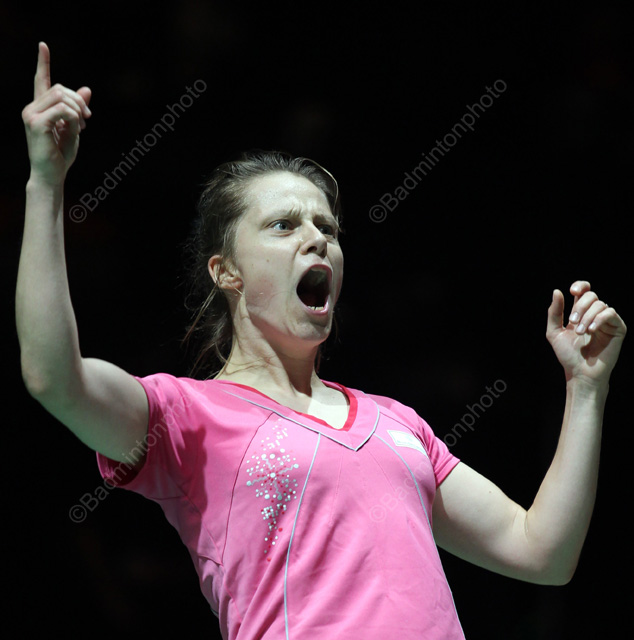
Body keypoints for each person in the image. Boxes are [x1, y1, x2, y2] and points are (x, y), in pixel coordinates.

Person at [17, 42, 627, 640]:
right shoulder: (185, 416)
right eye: (283, 225)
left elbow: (542, 552)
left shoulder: (399, 425)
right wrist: (46, 182)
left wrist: (586, 388)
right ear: (226, 271)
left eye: (327, 228)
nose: (317, 239)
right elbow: (53, 378)